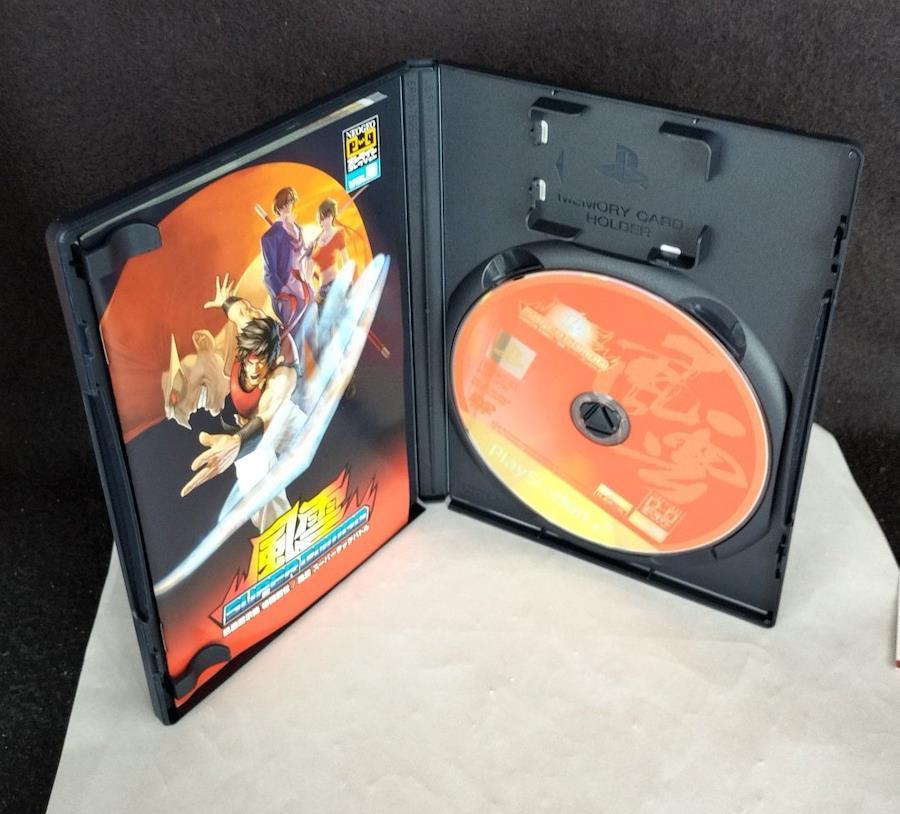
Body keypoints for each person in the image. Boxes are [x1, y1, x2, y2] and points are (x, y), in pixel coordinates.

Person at [180, 275, 305, 531]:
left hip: (279, 416)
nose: (255, 368)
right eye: (251, 361)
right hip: (247, 425)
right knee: (258, 480)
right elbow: (239, 311)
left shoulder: (283, 375)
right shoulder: (251, 330)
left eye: (262, 362)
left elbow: (267, 415)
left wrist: (237, 442)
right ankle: (280, 534)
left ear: (272, 359)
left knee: (310, 438)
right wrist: (226, 302)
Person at [260, 186, 317, 364]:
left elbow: (303, 255)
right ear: (278, 208)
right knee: (296, 343)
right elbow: (269, 274)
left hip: (304, 288)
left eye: (290, 202)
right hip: (288, 296)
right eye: (284, 204)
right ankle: (299, 377)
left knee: (314, 337)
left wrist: (310, 250)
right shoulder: (270, 236)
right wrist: (283, 293)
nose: (288, 206)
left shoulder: (298, 229)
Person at [310, 198, 349, 306]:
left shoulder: (338, 233)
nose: (325, 221)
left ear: (332, 216)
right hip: (322, 291)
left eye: (328, 216)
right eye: (322, 218)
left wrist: (346, 282)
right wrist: (313, 292)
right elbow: (309, 271)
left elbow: (345, 259)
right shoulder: (316, 242)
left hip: (336, 283)